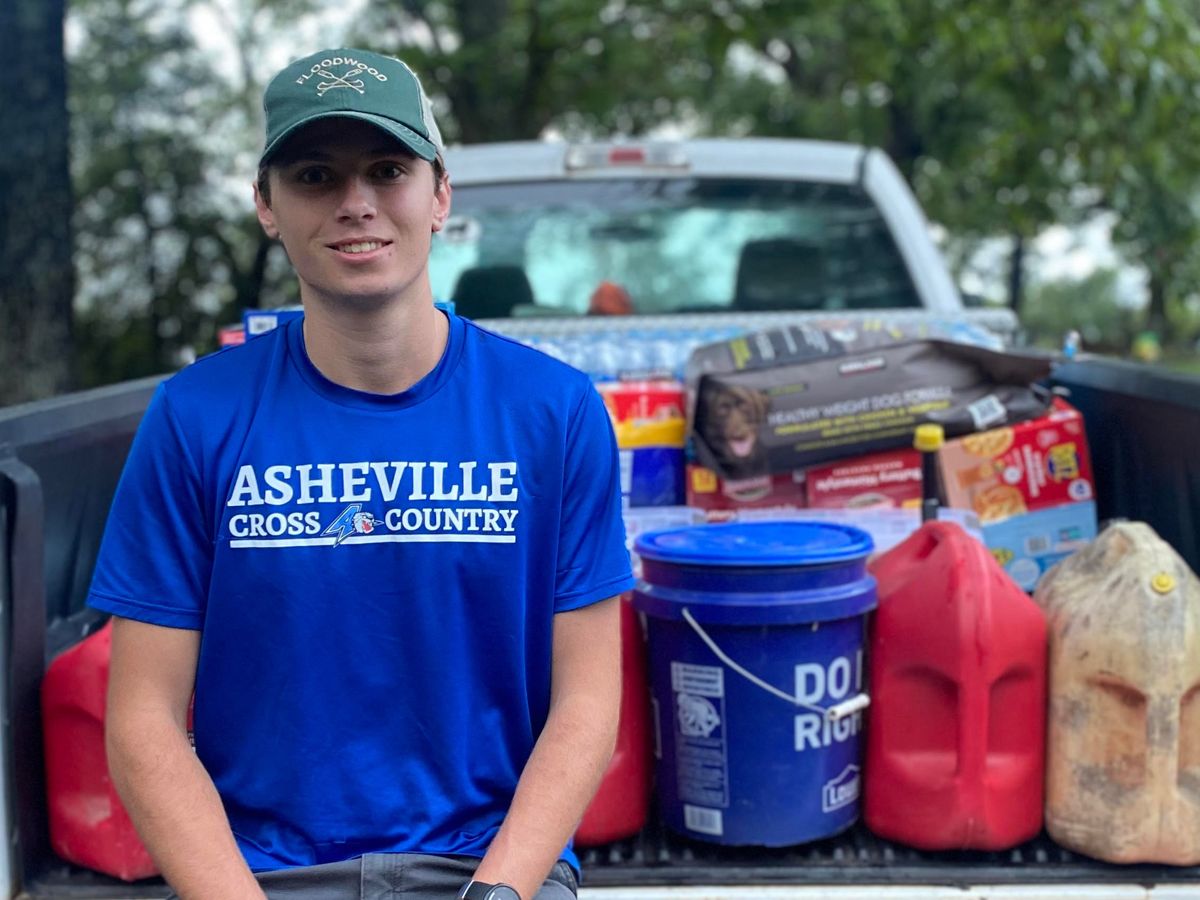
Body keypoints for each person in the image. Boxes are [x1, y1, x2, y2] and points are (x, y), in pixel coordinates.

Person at [88, 47, 633, 900]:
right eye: (315, 175)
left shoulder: (553, 413)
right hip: (266, 878)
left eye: (388, 170)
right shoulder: (194, 418)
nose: (356, 203)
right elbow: (142, 720)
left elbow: (588, 705)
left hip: (491, 870)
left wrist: (497, 895)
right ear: (267, 205)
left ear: (440, 194)